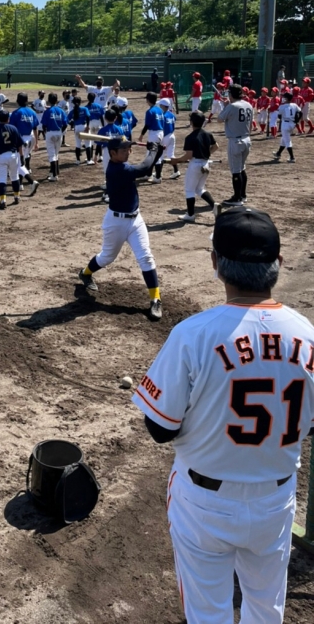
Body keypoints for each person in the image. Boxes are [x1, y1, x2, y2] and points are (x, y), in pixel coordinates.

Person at [132, 205, 314, 624]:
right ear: (279, 262)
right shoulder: (307, 334)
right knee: (266, 608)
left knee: (207, 612)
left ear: (215, 263)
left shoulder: (192, 334)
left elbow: (159, 428)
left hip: (204, 502)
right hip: (275, 500)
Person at [78, 137, 164, 320]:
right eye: (124, 150)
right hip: (115, 222)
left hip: (136, 220)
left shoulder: (123, 166)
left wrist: (157, 153)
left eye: (128, 149)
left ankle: (155, 299)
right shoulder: (116, 169)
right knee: (107, 257)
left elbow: (146, 167)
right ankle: (85, 273)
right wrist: (153, 151)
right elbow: (144, 169)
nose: (128, 152)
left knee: (146, 257)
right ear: (113, 153)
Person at [169, 111, 217, 221]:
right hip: (206, 163)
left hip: (195, 164)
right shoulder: (208, 134)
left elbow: (188, 156)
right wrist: (206, 154)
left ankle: (190, 215)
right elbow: (216, 146)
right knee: (200, 189)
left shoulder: (190, 137)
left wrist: (176, 160)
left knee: (189, 190)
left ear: (191, 122)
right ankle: (214, 205)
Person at [218, 83, 253, 205]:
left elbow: (219, 119)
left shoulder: (232, 106)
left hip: (235, 141)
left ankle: (237, 198)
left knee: (236, 170)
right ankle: (243, 195)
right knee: (242, 168)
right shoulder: (248, 104)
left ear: (231, 94)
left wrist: (226, 106)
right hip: (247, 139)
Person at [138, 92, 164, 182]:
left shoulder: (150, 111)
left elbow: (147, 125)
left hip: (154, 134)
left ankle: (158, 177)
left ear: (148, 100)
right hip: (160, 132)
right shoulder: (160, 110)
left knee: (153, 155)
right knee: (151, 154)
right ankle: (148, 174)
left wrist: (141, 135)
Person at [41, 93, 68, 182]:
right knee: (56, 154)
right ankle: (55, 171)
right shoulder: (61, 111)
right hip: (59, 132)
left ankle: (54, 175)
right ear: (57, 100)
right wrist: (61, 131)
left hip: (50, 132)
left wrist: (46, 133)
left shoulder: (47, 111)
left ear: (48, 101)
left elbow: (44, 125)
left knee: (52, 155)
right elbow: (65, 124)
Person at [272, 91, 299, 163]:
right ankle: (278, 153)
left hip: (285, 124)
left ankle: (292, 157)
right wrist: (296, 121)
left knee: (287, 141)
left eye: (284, 97)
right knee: (283, 139)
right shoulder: (294, 105)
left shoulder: (282, 106)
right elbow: (300, 113)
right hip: (292, 124)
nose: (283, 98)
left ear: (287, 98)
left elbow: (279, 116)